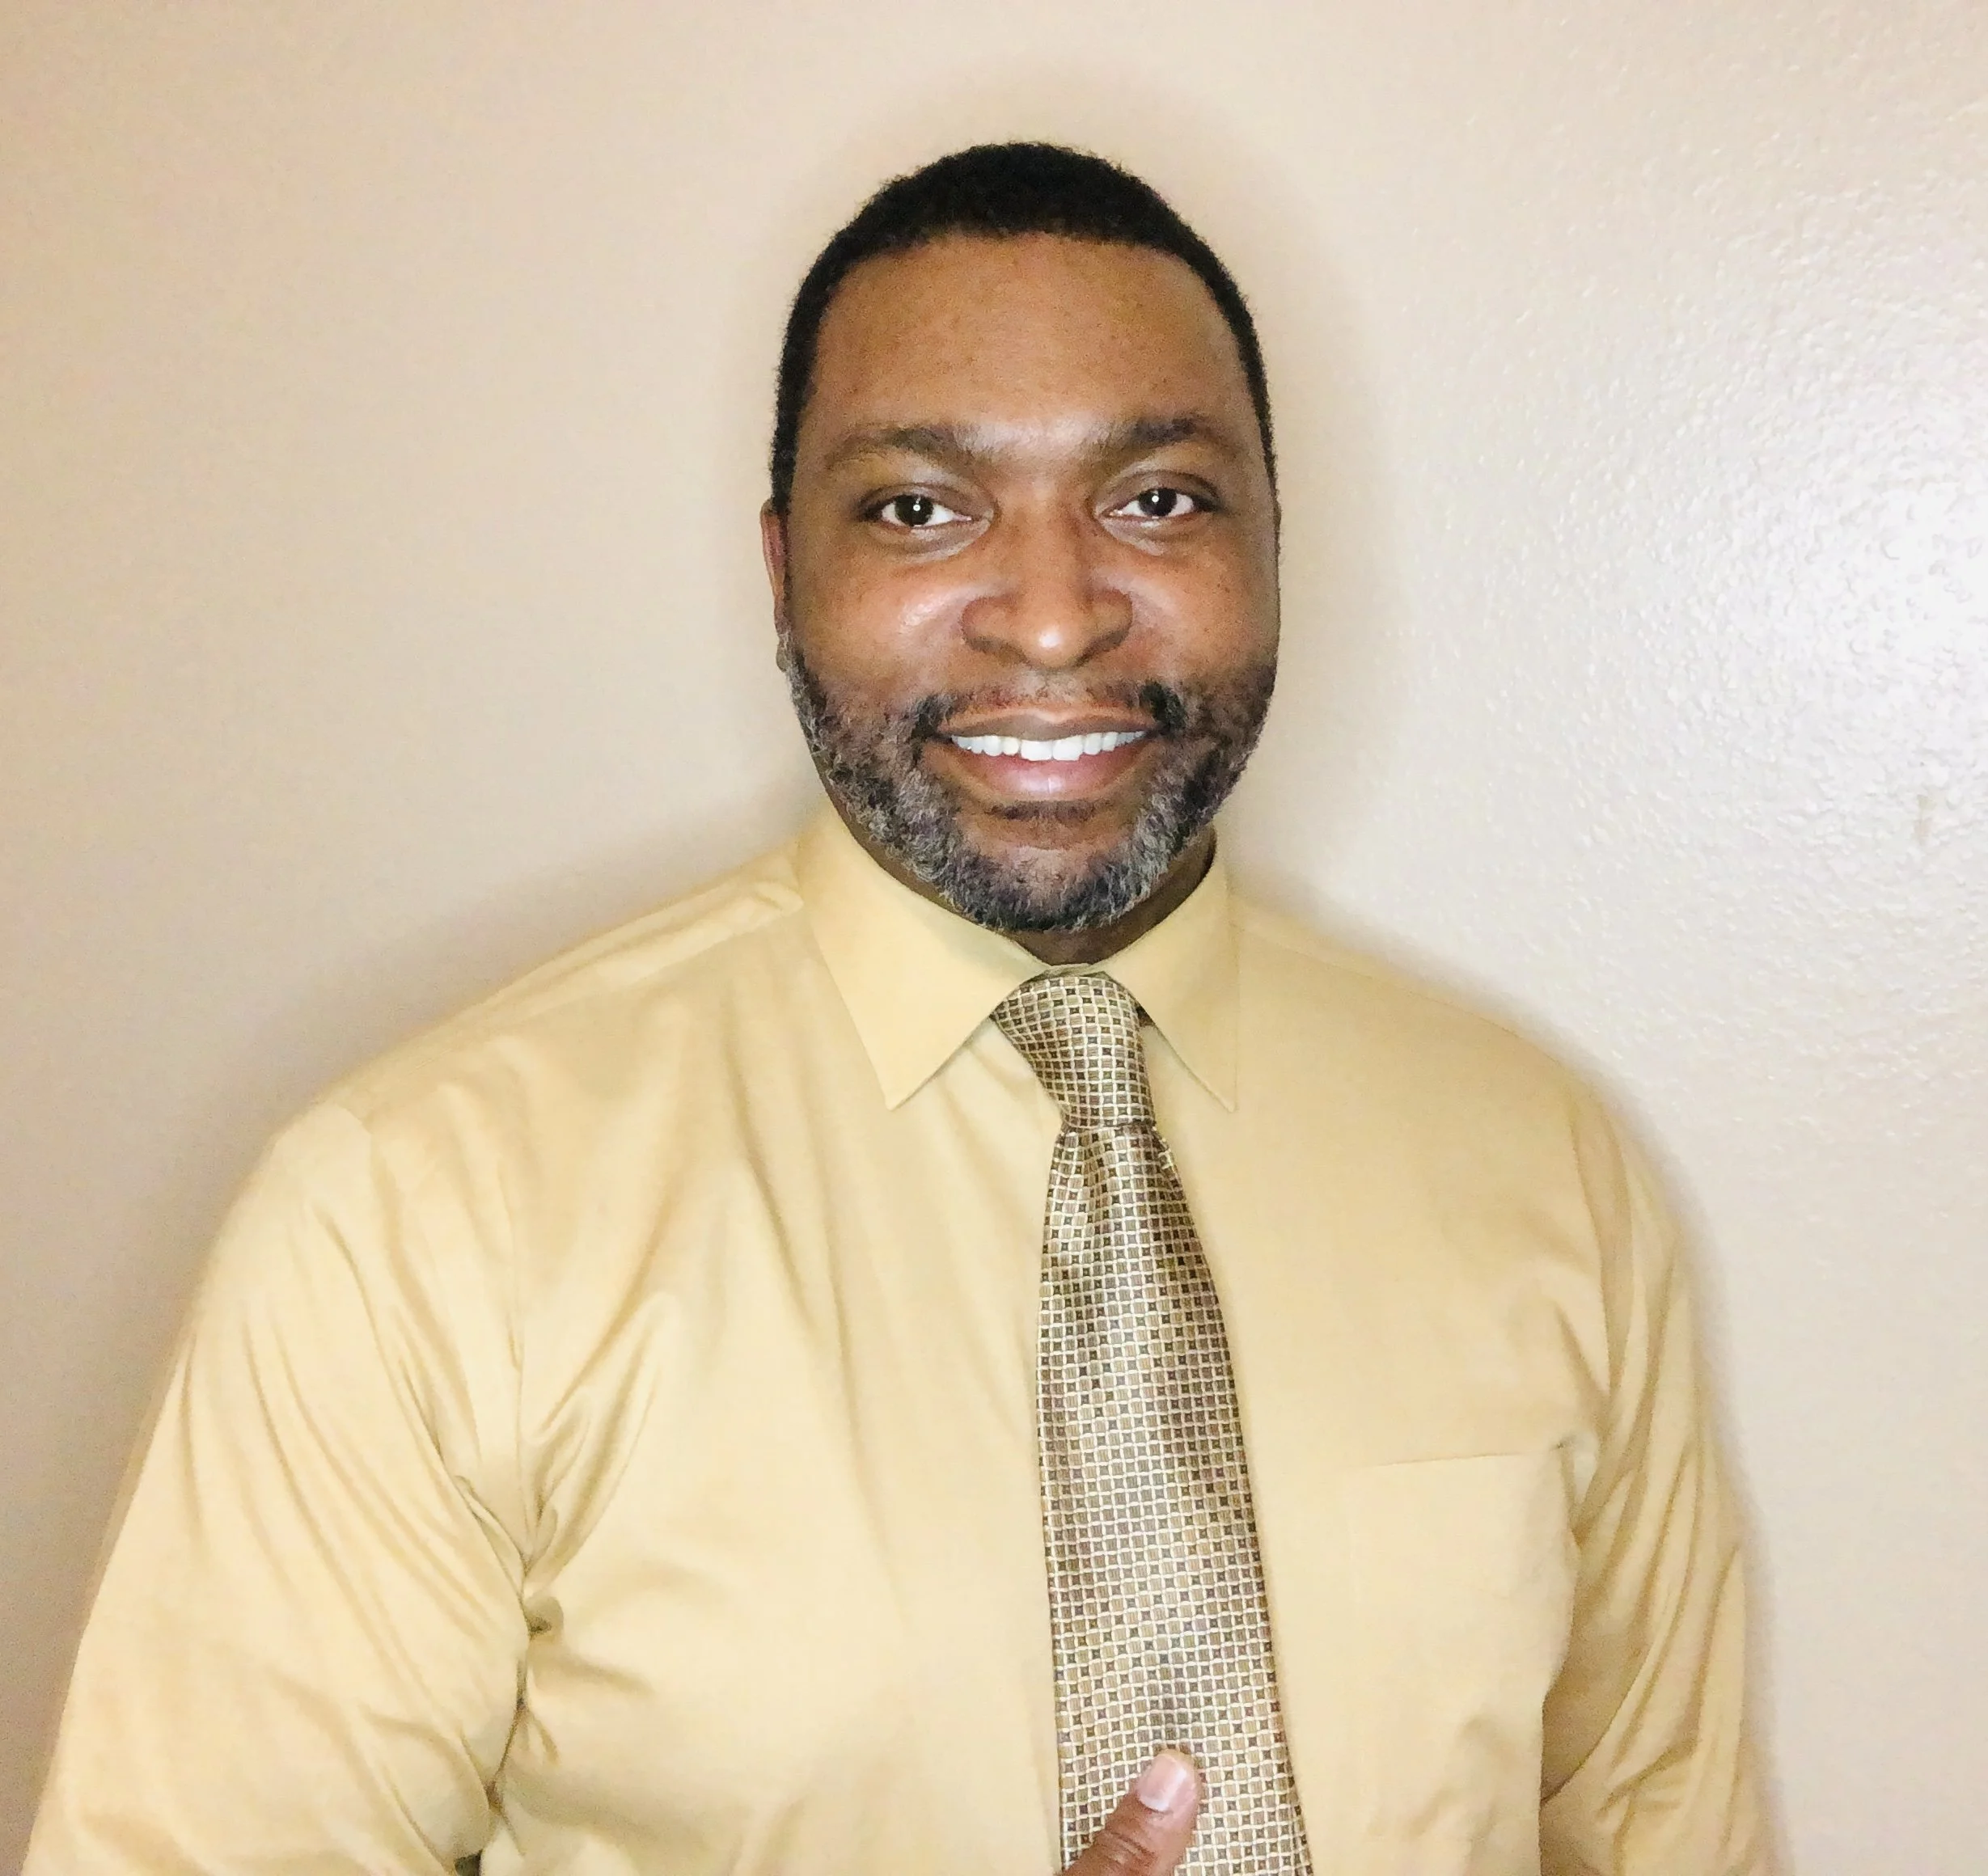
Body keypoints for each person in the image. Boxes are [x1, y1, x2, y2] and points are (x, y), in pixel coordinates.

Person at [27, 143, 1770, 1875]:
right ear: (783, 572)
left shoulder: (1546, 1167)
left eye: (1154, 497)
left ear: (1272, 543)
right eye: (919, 508)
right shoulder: (411, 1212)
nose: (1050, 616)